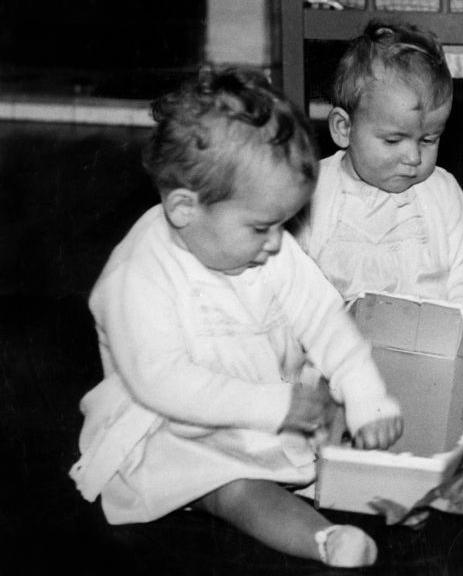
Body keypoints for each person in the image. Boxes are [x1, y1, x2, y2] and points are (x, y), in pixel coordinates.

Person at [68, 67, 403, 568]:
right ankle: (325, 540)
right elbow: (164, 383)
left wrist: (365, 395)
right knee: (232, 487)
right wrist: (277, 407)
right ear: (185, 208)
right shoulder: (138, 275)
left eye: (285, 223)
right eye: (262, 226)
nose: (278, 242)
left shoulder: (267, 246)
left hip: (266, 393)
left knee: (334, 434)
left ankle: (361, 494)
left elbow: (324, 317)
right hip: (169, 422)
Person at [291, 20, 463, 358]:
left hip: (433, 349)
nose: (414, 157)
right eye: (393, 140)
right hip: (337, 351)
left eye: (429, 139)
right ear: (344, 128)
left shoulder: (441, 190)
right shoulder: (313, 190)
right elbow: (290, 268)